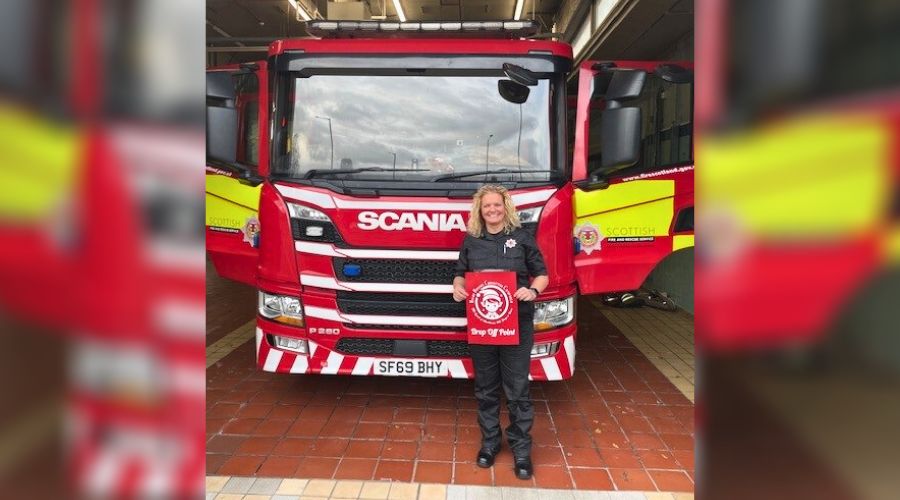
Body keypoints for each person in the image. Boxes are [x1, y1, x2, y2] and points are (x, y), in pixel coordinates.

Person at [452, 184, 549, 480]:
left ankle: (521, 449)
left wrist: (532, 290)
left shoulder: (522, 238)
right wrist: (457, 287)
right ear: (479, 211)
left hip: (516, 325)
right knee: (486, 388)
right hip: (483, 326)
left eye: (497, 205)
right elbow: (460, 273)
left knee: (517, 389)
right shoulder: (471, 240)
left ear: (505, 207)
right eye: (486, 206)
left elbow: (542, 274)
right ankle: (490, 443)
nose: (492, 210)